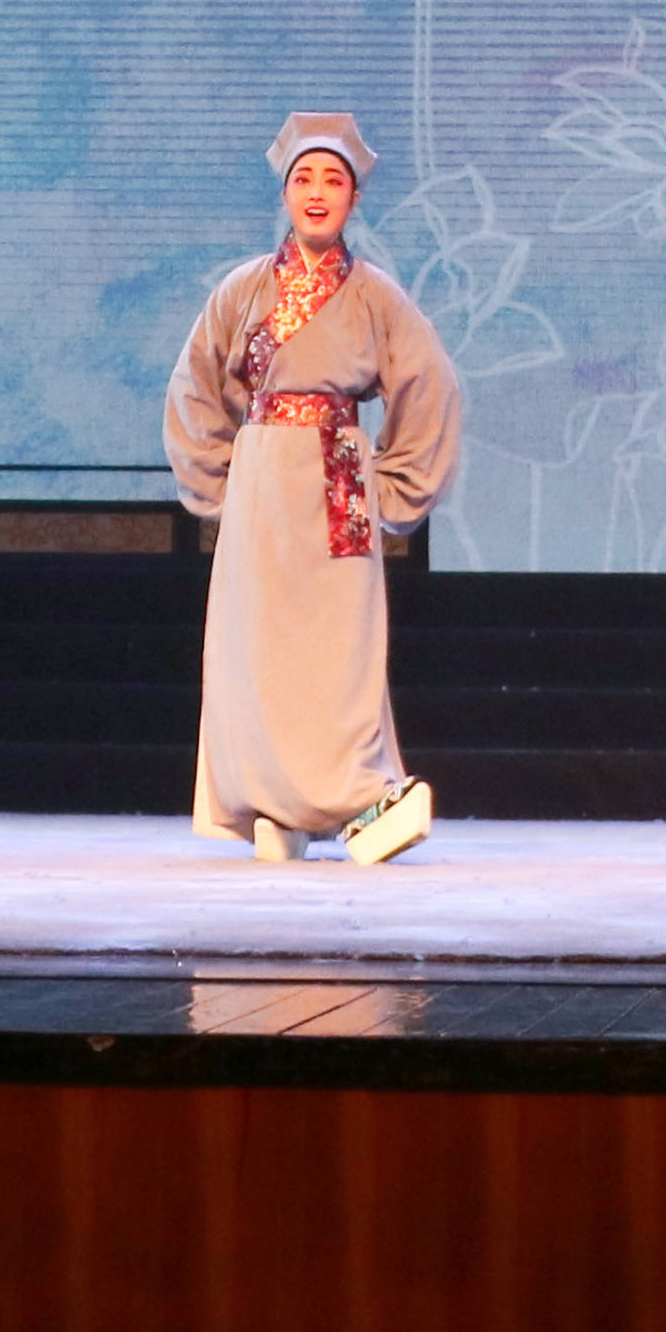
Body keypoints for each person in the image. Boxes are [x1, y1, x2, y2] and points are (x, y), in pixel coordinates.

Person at [165, 112, 457, 861]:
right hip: (263, 476)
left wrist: (396, 485)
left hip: (340, 473)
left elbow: (428, 384)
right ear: (286, 193)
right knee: (260, 644)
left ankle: (355, 796)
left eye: (334, 180)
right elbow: (196, 386)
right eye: (304, 179)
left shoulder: (376, 296)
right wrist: (224, 484)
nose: (318, 192)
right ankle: (273, 806)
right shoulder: (243, 289)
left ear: (354, 197)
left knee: (339, 643)